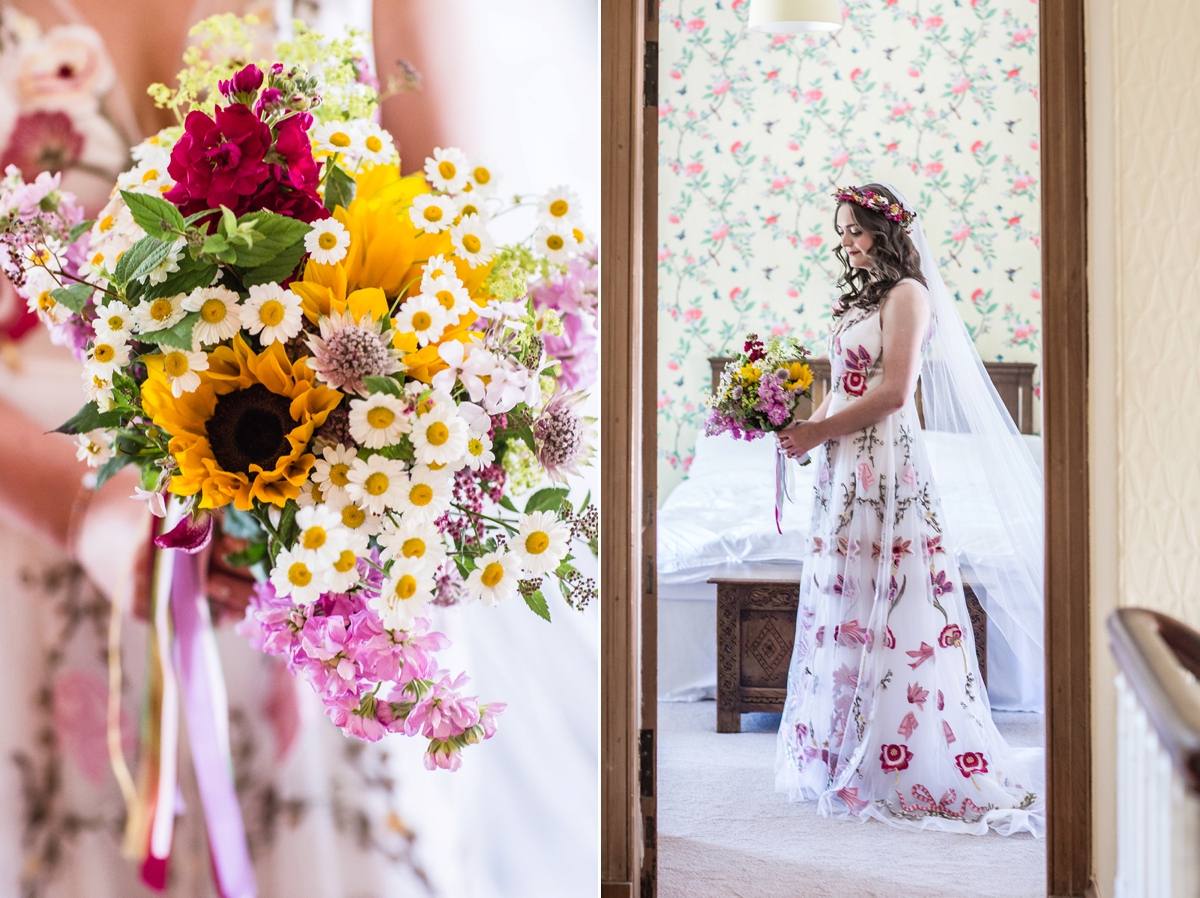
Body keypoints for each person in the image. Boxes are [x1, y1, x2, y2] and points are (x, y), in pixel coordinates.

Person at [0, 2, 469, 894]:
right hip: (23, 544)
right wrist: (73, 509)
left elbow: (455, 232)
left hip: (310, 572)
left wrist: (349, 466)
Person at [774, 183, 1045, 836]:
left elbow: (894, 393)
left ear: (884, 231)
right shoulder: (860, 298)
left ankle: (902, 754)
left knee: (892, 598)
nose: (845, 243)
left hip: (884, 463)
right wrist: (803, 428)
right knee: (849, 596)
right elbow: (843, 383)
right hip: (843, 465)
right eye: (841, 233)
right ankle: (849, 750)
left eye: (854, 231)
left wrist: (820, 433)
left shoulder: (910, 296)